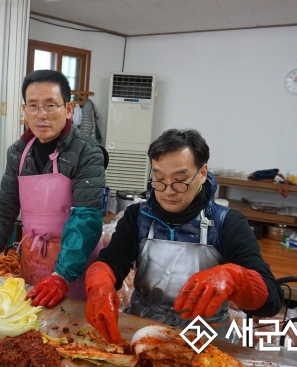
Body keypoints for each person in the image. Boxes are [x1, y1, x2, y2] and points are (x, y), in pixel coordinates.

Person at [85, 129, 283, 344]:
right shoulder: (137, 217)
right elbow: (113, 261)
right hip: (144, 331)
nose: (168, 191)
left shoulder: (228, 223)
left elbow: (272, 301)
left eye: (180, 180)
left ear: (203, 173)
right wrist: (99, 282)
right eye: (159, 179)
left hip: (208, 340)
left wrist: (238, 279)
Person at [0, 70, 105, 307]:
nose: (41, 115)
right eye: (33, 106)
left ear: (69, 109)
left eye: (51, 105)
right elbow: (5, 208)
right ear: (24, 110)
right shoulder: (19, 152)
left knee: (70, 335)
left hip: (74, 263)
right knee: (30, 327)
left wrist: (61, 276)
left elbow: (85, 219)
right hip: (33, 260)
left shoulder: (87, 152)